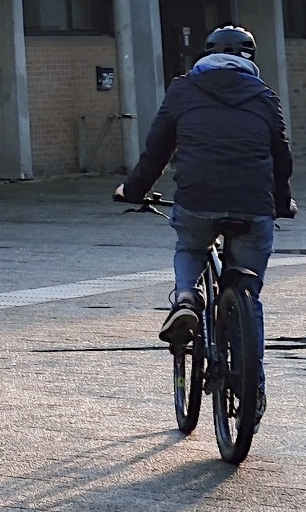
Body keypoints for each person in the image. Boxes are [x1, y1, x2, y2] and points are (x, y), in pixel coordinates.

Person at [114, 26, 296, 360]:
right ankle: (251, 390)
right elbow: (281, 158)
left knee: (190, 245)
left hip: (197, 200)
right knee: (248, 292)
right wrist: (282, 203)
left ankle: (186, 298)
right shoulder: (265, 97)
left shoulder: (183, 90)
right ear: (250, 58)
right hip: (254, 205)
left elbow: (157, 149)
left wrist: (134, 189)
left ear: (206, 54)